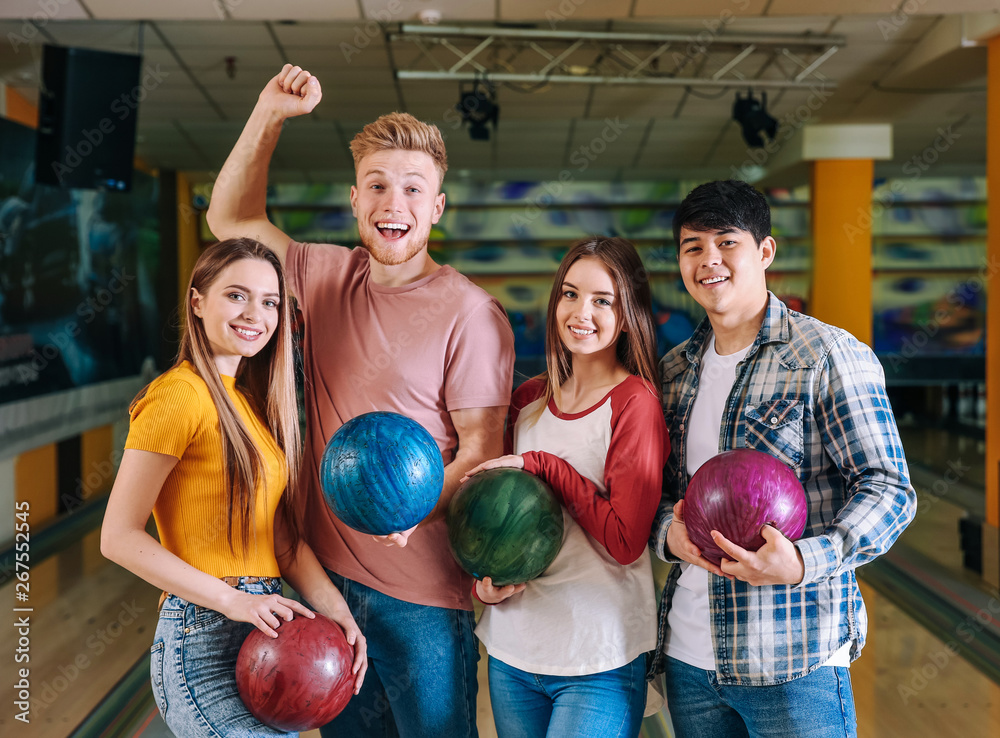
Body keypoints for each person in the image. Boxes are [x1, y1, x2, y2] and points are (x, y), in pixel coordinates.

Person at [206, 65, 516, 737]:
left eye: (412, 188)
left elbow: (485, 453)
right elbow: (229, 216)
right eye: (377, 185)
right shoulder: (323, 276)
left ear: (436, 206)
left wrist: (415, 508)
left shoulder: (472, 314)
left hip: (425, 597)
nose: (392, 202)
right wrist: (270, 113)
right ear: (355, 199)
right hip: (324, 585)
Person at [649, 180, 917, 738]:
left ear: (765, 252)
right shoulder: (673, 372)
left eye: (727, 242)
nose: (709, 260)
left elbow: (889, 488)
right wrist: (665, 537)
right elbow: (660, 496)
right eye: (692, 246)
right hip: (690, 657)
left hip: (796, 659)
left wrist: (803, 561)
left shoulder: (826, 355)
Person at [101, 238, 367, 737]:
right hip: (202, 637)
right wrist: (234, 602)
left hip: (268, 643)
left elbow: (283, 543)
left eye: (269, 302)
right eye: (236, 295)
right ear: (197, 302)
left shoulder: (251, 408)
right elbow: (117, 537)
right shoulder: (178, 396)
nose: (255, 314)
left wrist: (339, 616)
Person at [463, 237, 668, 738]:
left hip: (597, 656)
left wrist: (544, 465)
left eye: (603, 300)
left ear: (627, 315)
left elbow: (624, 542)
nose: (581, 312)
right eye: (570, 294)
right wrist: (485, 580)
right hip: (514, 648)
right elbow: (497, 517)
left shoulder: (634, 403)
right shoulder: (529, 400)